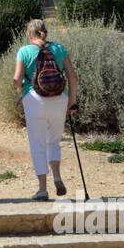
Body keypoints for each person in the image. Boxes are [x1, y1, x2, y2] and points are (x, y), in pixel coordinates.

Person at [13, 19, 78, 201]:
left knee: (37, 144)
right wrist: (71, 102)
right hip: (59, 99)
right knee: (54, 142)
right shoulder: (59, 48)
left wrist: (20, 90)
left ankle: (43, 188)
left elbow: (17, 79)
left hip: (34, 99)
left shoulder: (24, 51)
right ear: (45, 32)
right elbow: (72, 77)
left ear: (29, 34)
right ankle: (57, 175)